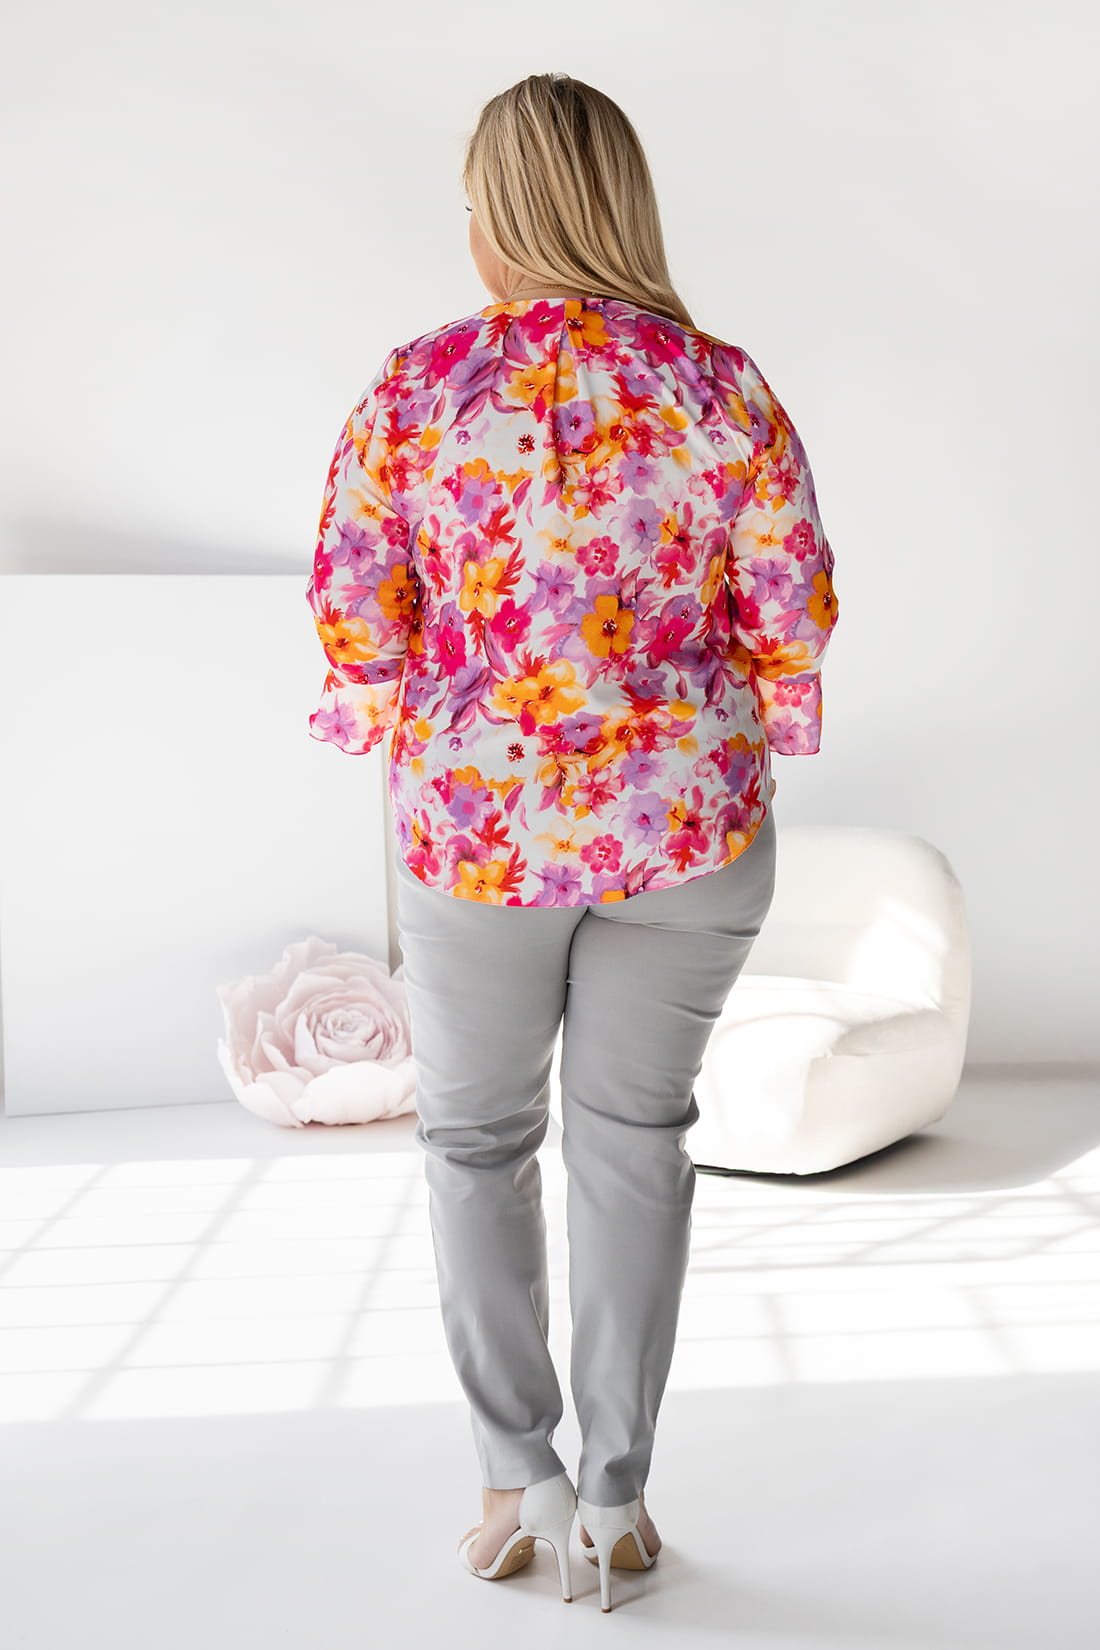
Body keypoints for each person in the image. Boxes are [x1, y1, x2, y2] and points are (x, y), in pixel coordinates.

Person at [306, 72, 839, 1611]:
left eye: (474, 204)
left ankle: (513, 1475)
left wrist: (412, 692)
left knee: (476, 1143)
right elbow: (793, 611)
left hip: (479, 834)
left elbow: (357, 615)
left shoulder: (418, 388)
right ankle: (617, 1496)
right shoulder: (720, 386)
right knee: (633, 1144)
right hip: (688, 825)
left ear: (502, 215)